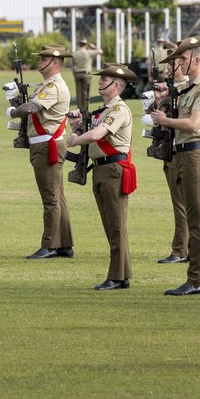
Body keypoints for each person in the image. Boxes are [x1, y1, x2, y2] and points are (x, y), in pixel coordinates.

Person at [151, 36, 200, 296]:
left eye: (182, 58)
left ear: (198, 60)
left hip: (193, 154)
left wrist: (165, 120)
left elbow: (193, 124)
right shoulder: (189, 88)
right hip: (182, 154)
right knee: (197, 220)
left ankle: (196, 280)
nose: (178, 62)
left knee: (197, 222)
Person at [66, 63, 138, 290]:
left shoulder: (118, 110)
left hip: (113, 170)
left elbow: (99, 134)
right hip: (101, 169)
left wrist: (77, 139)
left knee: (116, 225)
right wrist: (76, 125)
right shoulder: (104, 111)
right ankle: (122, 274)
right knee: (111, 225)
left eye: (105, 79)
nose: (100, 82)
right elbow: (93, 130)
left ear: (116, 85)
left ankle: (116, 277)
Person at [7, 45, 74, 259]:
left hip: (46, 145)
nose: (39, 62)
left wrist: (12, 111)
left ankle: (50, 244)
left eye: (43, 58)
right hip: (44, 143)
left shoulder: (53, 86)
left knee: (50, 198)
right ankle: (63, 243)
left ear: (55, 62)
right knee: (57, 196)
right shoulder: (47, 85)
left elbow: (31, 109)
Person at [152, 50, 189, 265]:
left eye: (171, 64)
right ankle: (184, 247)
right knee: (180, 203)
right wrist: (158, 100)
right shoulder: (170, 90)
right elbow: (154, 121)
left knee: (181, 204)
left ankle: (180, 249)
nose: (167, 69)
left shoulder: (185, 89)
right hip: (169, 149)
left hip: (179, 151)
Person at [71, 38, 102, 111]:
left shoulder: (75, 53)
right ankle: (85, 109)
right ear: (85, 44)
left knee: (78, 93)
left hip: (77, 74)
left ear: (79, 44)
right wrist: (94, 47)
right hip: (86, 74)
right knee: (86, 92)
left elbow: (72, 66)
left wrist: (74, 75)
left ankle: (79, 109)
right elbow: (100, 51)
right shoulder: (89, 52)